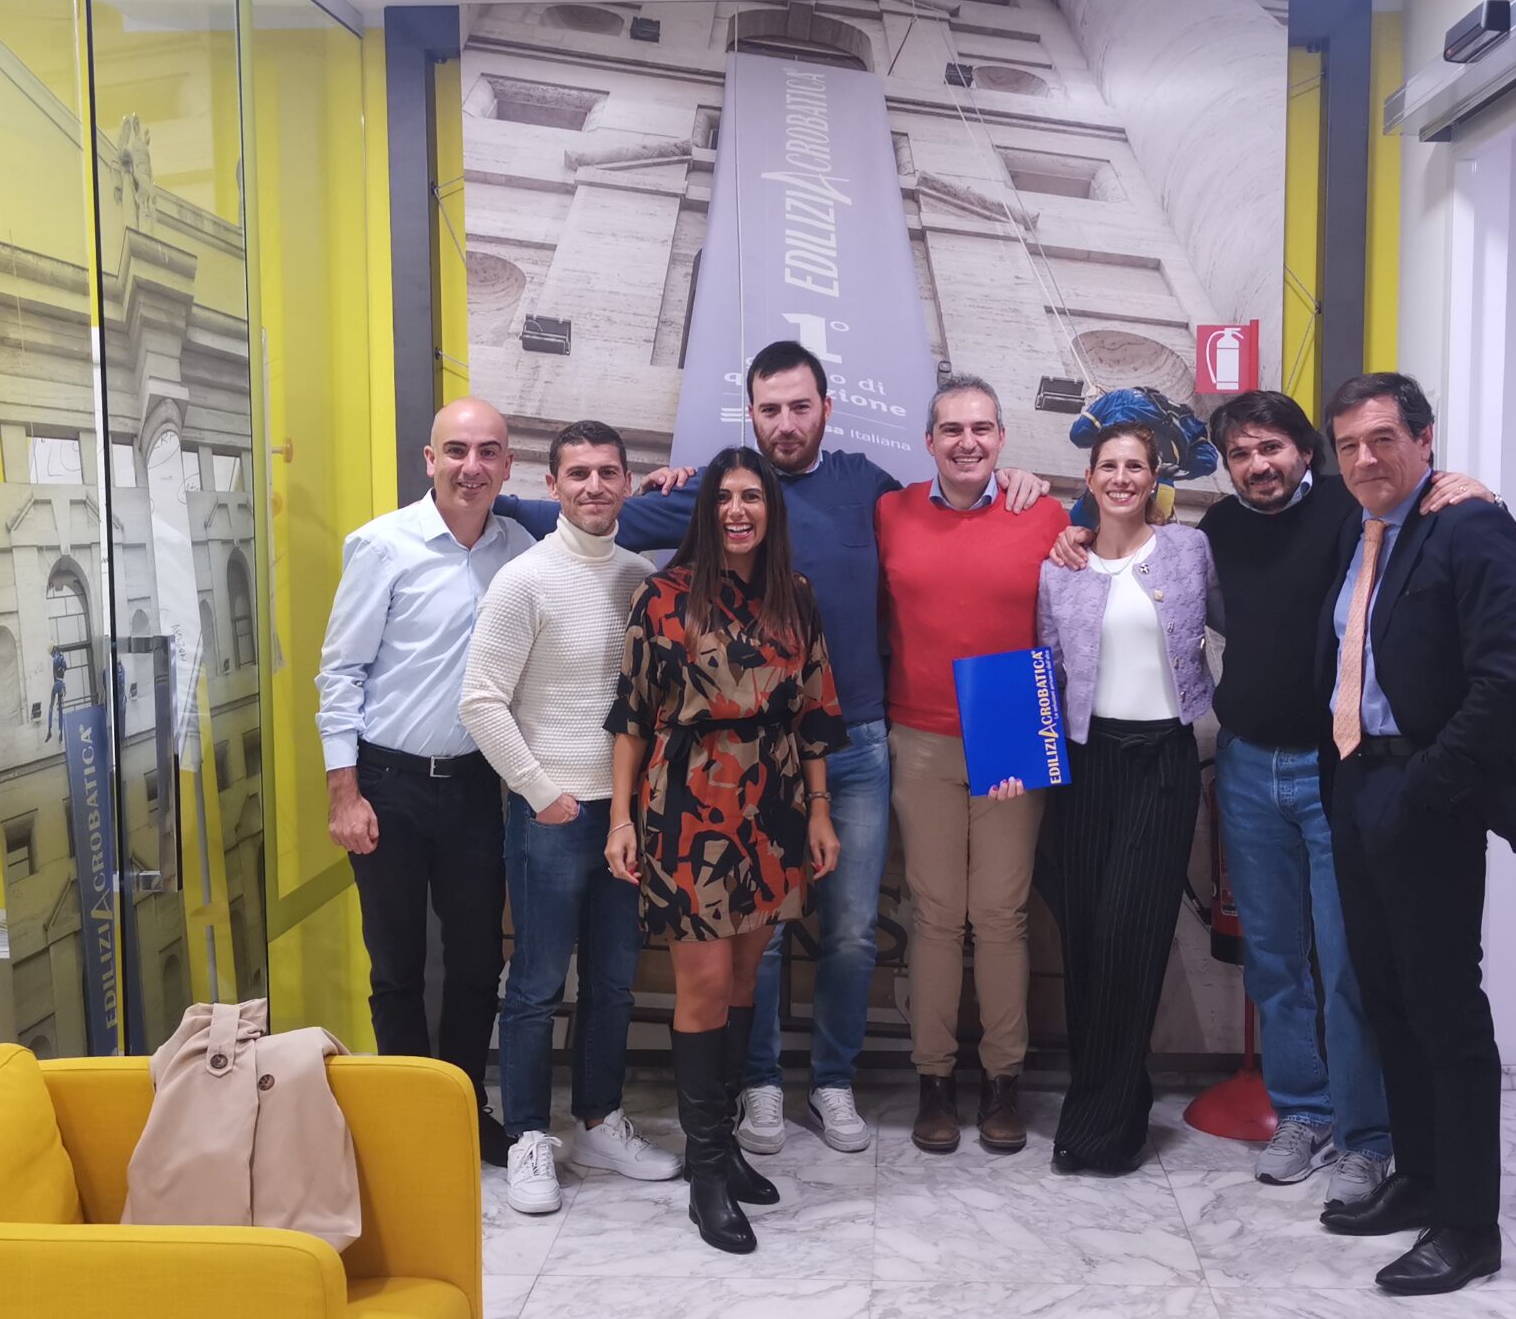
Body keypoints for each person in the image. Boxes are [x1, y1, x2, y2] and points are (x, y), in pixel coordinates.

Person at [506, 338, 1043, 1157]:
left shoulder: (872, 491)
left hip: (856, 745)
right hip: (740, 766)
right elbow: (595, 518)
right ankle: (757, 1084)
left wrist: (1023, 487)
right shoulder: (720, 492)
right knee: (758, 936)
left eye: (800, 406)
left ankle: (832, 1081)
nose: (786, 422)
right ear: (750, 414)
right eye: (770, 409)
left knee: (854, 930)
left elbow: (957, 510)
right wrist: (491, 505)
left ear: (826, 408)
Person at [1053, 393, 1490, 1213]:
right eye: (1242, 454)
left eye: (1273, 448)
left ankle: (1366, 1137)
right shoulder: (1215, 532)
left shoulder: (1351, 510)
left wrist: (1458, 485)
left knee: (1347, 962)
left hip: (1334, 767)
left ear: (1304, 450)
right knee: (1275, 962)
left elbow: (1417, 514)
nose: (1258, 465)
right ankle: (1303, 1114)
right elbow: (1139, 561)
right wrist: (1073, 532)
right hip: (1247, 765)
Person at [1316, 372, 1516, 1296]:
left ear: (1424, 439)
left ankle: (1469, 1225)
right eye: (1349, 446)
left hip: (1425, 791)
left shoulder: (1471, 525)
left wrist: (1426, 786)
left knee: (1446, 1010)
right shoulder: (1362, 529)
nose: (1365, 459)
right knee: (1388, 998)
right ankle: (1417, 1177)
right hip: (1355, 779)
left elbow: (1511, 680)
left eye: (1383, 439)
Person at [604, 448, 844, 1254]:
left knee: (746, 980)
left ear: (771, 511)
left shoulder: (795, 598)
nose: (738, 510)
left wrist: (819, 812)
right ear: (705, 510)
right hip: (688, 802)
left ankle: (728, 1144)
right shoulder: (663, 596)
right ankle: (705, 1171)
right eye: (724, 497)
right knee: (704, 986)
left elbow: (816, 714)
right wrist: (622, 821)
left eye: (753, 497)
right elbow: (631, 717)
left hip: (773, 803)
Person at [458, 419, 681, 1215]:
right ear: (551, 486)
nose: (593, 486)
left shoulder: (640, 578)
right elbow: (481, 701)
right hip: (550, 815)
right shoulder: (524, 580)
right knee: (537, 983)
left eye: (607, 472)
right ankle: (528, 1134)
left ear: (627, 483)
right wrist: (537, 790)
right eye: (577, 473)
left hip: (626, 817)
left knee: (614, 982)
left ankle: (598, 1122)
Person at [316, 396, 529, 1166]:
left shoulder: (518, 549)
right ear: (430, 459)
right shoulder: (383, 547)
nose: (472, 467)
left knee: (477, 964)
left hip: (474, 788)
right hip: (388, 785)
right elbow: (341, 673)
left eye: (488, 452)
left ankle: (464, 1111)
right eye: (457, 451)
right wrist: (345, 793)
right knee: (397, 966)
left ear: (507, 464)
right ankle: (408, 1123)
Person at [876, 377, 1066, 1154]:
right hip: (919, 735)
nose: (967, 442)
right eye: (952, 429)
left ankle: (1002, 1082)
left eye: (982, 428)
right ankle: (933, 1080)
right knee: (934, 914)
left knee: (1001, 915)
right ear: (928, 441)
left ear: (1002, 438)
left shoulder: (1043, 513)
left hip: (1013, 730)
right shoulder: (890, 513)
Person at [1034, 423, 1216, 1174]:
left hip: (1162, 762)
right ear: (1089, 477)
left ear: (1154, 477)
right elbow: (1045, 672)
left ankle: (1103, 1129)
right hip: (1085, 764)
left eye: (1134, 466)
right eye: (1107, 465)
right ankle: (1112, 1100)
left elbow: (1245, 620)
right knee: (1085, 941)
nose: (1120, 477)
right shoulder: (1061, 567)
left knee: (1129, 938)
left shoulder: (1189, 550)